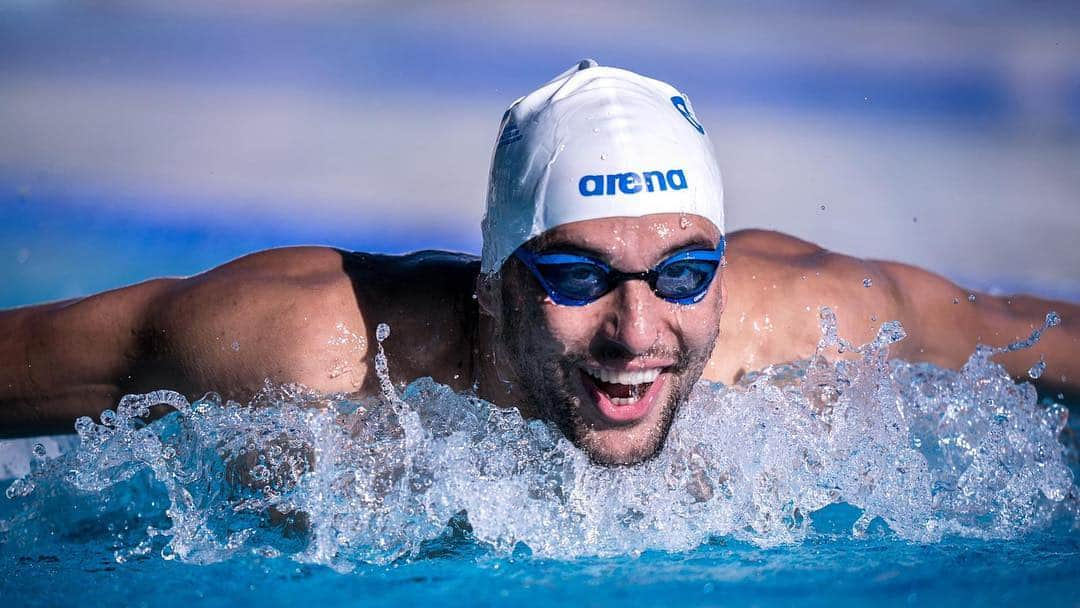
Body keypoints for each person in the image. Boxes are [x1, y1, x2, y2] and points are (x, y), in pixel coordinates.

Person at [1, 60, 1077, 465]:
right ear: (494, 276)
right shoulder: (312, 343)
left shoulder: (822, 320)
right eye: (576, 276)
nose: (639, 331)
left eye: (685, 272)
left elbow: (1038, 336)